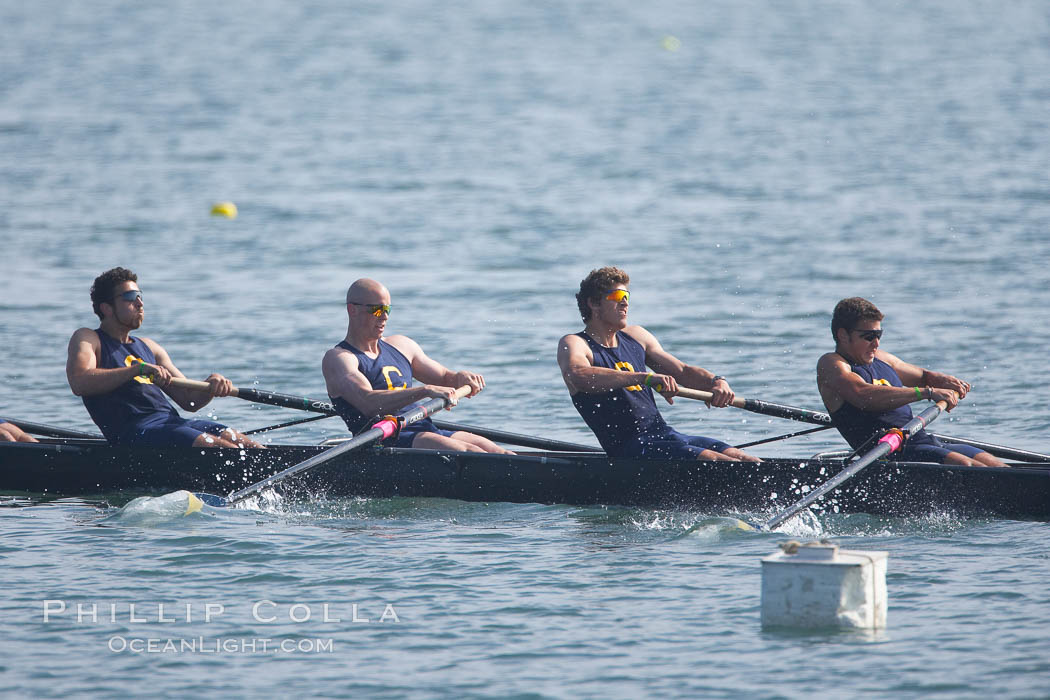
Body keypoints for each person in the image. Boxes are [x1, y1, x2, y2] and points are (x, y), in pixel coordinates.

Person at [557, 266, 759, 462]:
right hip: (630, 449)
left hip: (666, 436)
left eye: (627, 297)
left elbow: (683, 371)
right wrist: (645, 377)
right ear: (593, 303)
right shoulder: (575, 343)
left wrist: (717, 382)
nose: (625, 304)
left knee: (744, 459)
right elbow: (578, 374)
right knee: (714, 460)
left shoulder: (636, 336)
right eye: (618, 297)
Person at [66, 267, 262, 448]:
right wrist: (137, 369)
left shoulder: (150, 347)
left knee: (248, 446)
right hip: (136, 433)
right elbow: (80, 382)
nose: (140, 303)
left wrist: (212, 385)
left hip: (173, 425)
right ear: (107, 308)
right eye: (130, 297)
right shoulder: (89, 339)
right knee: (220, 449)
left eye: (140, 296)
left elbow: (189, 401)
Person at [322, 278, 512, 454]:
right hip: (384, 440)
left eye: (388, 309)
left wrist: (461, 377)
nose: (384, 316)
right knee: (469, 453)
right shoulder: (340, 358)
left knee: (500, 453)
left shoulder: (401, 345)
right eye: (376, 310)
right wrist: (425, 391)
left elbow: (446, 378)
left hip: (424, 429)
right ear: (352, 310)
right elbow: (369, 403)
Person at [816, 297, 1003, 466]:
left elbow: (923, 376)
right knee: (968, 466)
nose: (876, 343)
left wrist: (944, 381)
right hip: (890, 455)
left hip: (922, 440)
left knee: (995, 465)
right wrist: (927, 393)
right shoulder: (832, 364)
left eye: (879, 335)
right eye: (868, 337)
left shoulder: (882, 358)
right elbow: (862, 394)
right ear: (842, 335)